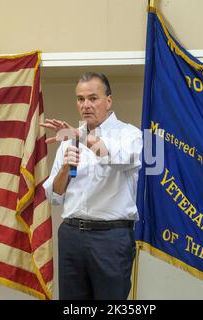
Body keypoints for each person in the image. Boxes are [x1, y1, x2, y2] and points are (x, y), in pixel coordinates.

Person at [41, 72, 142, 300]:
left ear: (109, 101)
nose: (85, 105)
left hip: (111, 237)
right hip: (72, 235)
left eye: (93, 98)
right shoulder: (69, 140)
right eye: (80, 99)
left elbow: (119, 159)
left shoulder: (129, 135)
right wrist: (66, 168)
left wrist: (81, 136)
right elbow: (54, 195)